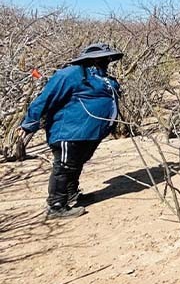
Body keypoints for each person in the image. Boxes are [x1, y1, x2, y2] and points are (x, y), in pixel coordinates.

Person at [19, 43, 123, 219]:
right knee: (65, 165)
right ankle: (56, 206)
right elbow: (45, 98)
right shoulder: (71, 74)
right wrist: (29, 124)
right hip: (69, 131)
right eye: (103, 58)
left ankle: (71, 194)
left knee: (77, 162)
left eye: (107, 58)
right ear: (92, 59)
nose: (107, 61)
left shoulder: (104, 78)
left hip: (91, 133)